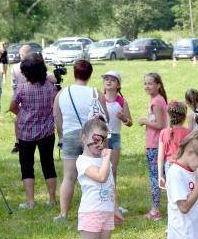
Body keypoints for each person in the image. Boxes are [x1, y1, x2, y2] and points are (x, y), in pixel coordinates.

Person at [53, 60, 109, 222]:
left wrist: (61, 135)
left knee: (69, 176)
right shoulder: (95, 92)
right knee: (97, 174)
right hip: (92, 136)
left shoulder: (62, 93)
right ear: (90, 74)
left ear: (74, 73)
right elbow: (105, 117)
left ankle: (63, 213)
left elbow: (57, 117)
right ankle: (98, 207)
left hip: (70, 135)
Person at [75, 118, 122, 239]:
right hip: (91, 212)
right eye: (95, 139)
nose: (99, 144)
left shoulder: (104, 161)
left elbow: (111, 185)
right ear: (84, 137)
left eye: (103, 140)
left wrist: (115, 209)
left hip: (105, 212)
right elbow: (101, 177)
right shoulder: (83, 161)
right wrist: (107, 158)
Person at [10, 55, 59, 210]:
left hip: (26, 133)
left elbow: (12, 107)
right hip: (47, 131)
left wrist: (22, 114)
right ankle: (52, 198)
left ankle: (30, 201)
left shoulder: (22, 88)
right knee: (48, 163)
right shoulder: (51, 87)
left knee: (26, 165)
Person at [138, 73, 167, 220]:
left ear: (158, 85)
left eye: (150, 83)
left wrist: (144, 121)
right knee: (163, 175)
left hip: (154, 145)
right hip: (159, 143)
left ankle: (155, 210)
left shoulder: (156, 102)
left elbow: (160, 124)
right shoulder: (159, 100)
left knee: (156, 177)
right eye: (145, 84)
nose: (147, 86)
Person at [101, 70, 132, 181]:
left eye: (113, 80)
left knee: (113, 168)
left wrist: (123, 119)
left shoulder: (122, 102)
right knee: (102, 167)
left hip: (115, 137)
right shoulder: (100, 99)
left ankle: (112, 194)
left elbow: (130, 122)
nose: (109, 81)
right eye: (107, 79)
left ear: (118, 85)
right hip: (101, 137)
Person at [158, 101, 190, 190]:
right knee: (184, 191)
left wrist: (160, 175)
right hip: (184, 166)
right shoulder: (188, 133)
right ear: (184, 118)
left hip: (169, 166)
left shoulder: (163, 133)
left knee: (172, 193)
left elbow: (160, 157)